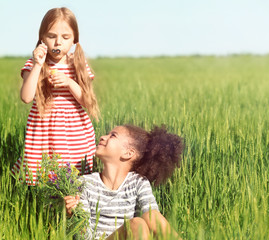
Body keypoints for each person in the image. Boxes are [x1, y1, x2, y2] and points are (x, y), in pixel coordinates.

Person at [11, 7, 99, 185]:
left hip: (75, 129)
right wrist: (37, 65)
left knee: (75, 177)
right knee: (43, 171)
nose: (58, 42)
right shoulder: (34, 64)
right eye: (51, 36)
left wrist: (69, 82)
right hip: (45, 127)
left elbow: (87, 102)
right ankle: (42, 204)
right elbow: (27, 97)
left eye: (65, 37)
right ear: (42, 38)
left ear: (74, 39)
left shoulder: (78, 64)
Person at [65, 124, 183, 239]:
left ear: (128, 153)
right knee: (137, 224)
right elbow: (85, 238)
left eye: (113, 135)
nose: (102, 137)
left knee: (143, 220)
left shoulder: (138, 182)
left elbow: (152, 216)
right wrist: (76, 216)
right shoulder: (84, 183)